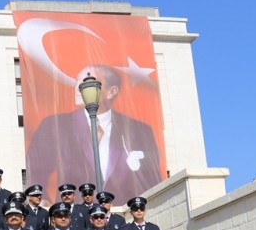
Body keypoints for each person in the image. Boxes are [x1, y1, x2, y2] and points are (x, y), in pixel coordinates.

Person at [26, 64, 163, 204]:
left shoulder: (138, 130)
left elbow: (150, 179)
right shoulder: (54, 126)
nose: (78, 87)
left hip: (123, 216)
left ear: (111, 92)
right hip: (74, 216)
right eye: (77, 81)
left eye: (87, 83)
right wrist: (42, 200)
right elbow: (37, 169)